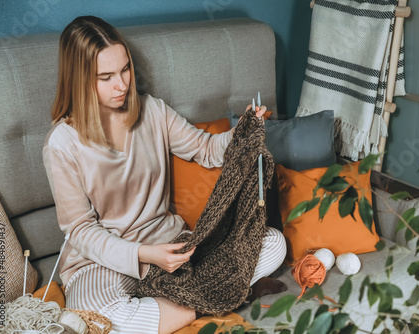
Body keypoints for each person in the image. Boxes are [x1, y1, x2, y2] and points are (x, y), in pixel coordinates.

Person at [43, 16, 287, 334]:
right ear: (79, 80)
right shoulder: (62, 143)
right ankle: (204, 301)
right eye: (106, 77)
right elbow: (81, 231)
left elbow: (206, 149)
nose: (122, 85)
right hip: (103, 261)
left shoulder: (152, 110)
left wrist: (242, 132)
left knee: (275, 244)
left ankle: (179, 305)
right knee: (94, 315)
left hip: (170, 245)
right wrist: (144, 255)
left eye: (125, 69)